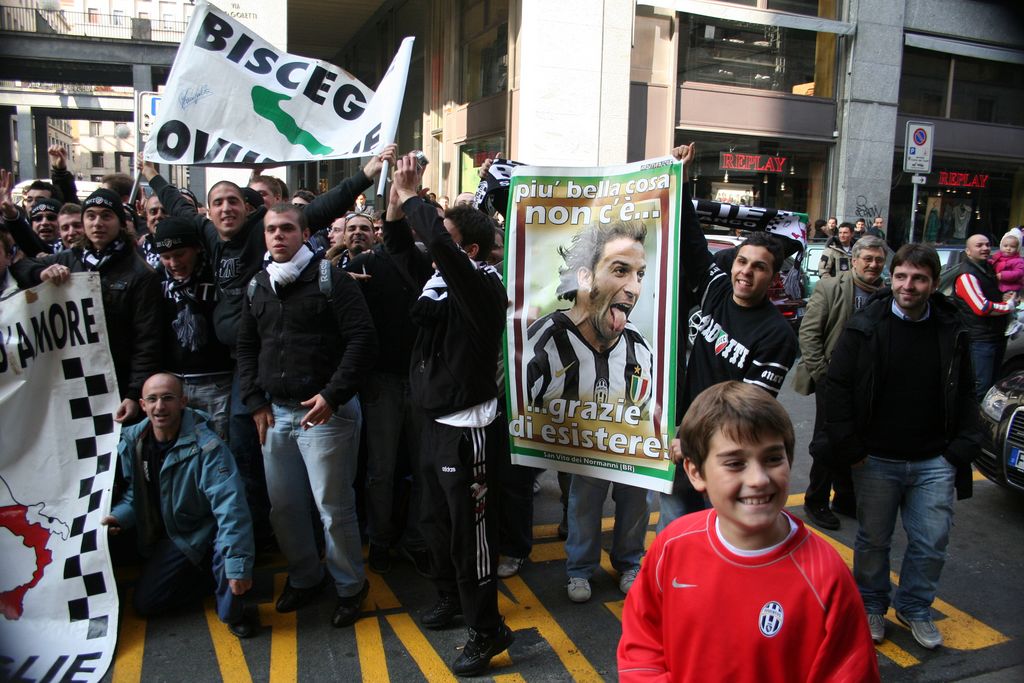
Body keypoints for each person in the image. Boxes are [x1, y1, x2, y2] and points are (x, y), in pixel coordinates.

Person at [618, 381, 879, 682]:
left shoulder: (826, 576)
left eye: (773, 459)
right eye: (735, 463)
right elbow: (642, 640)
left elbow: (850, 672)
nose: (758, 479)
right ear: (695, 473)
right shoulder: (672, 545)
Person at [391, 151, 513, 677]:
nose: (432, 242)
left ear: (469, 251)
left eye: (444, 236)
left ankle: (487, 630)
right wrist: (395, 203)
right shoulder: (438, 286)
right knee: (433, 522)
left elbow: (437, 244)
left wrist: (414, 195)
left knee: (472, 539)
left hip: (469, 432)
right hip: (434, 423)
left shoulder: (481, 287)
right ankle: (450, 597)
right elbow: (401, 249)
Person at [827, 243, 978, 649]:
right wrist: (851, 446)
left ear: (934, 283)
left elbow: (966, 390)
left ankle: (914, 607)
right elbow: (837, 386)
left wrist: (959, 449)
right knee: (873, 540)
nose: (908, 285)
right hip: (875, 459)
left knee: (931, 542)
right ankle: (871, 604)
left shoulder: (951, 327)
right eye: (901, 276)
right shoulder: (864, 326)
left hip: (935, 460)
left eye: (919, 278)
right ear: (891, 278)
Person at [236, 202, 377, 629]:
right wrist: (255, 402)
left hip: (326, 415)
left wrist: (332, 396)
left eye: (286, 228)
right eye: (271, 230)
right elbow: (247, 346)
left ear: (303, 234)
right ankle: (305, 577)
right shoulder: (258, 284)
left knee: (333, 508)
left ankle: (350, 586)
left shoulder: (330, 279)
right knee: (284, 508)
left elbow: (362, 340)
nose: (278, 236)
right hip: (275, 415)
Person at [659, 143, 798, 530]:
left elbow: (746, 409)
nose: (746, 272)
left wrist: (693, 441)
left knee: (719, 532)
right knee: (673, 528)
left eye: (759, 267)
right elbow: (691, 240)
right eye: (741, 262)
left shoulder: (778, 335)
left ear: (773, 277)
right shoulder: (716, 290)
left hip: (727, 451)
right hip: (683, 437)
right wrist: (681, 178)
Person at [523, 218, 654, 603]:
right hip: (583, 450)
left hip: (628, 447)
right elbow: (522, 404)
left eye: (640, 275)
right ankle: (579, 570)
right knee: (583, 505)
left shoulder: (639, 344)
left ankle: (629, 562)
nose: (634, 288)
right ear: (585, 276)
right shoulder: (544, 339)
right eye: (620, 270)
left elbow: (649, 401)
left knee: (637, 502)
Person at [103, 373, 257, 638]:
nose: (160, 406)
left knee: (229, 563)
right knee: (146, 604)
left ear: (183, 402)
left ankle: (234, 606)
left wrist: (237, 567)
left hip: (205, 531)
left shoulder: (208, 447)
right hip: (176, 535)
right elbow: (134, 495)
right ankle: (209, 578)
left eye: (168, 398)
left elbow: (231, 510)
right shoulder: (134, 442)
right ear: (142, 405)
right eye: (152, 399)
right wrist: (118, 517)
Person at [12, 188, 162, 424]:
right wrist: (42, 272)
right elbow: (20, 268)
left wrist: (134, 394)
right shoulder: (69, 258)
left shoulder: (141, 273)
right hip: (71, 378)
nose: (97, 223)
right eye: (91, 216)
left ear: (120, 223)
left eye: (106, 216)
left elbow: (147, 341)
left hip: (117, 382)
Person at [344, 195, 434, 576]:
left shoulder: (426, 264)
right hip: (381, 381)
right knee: (380, 469)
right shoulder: (362, 265)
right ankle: (380, 539)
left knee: (424, 466)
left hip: (421, 377)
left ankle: (416, 539)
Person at [792, 235, 886, 531]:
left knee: (856, 439)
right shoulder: (831, 286)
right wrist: (823, 375)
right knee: (828, 441)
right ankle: (816, 500)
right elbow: (809, 333)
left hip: (868, 384)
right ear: (854, 260)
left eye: (878, 260)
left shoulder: (887, 293)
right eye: (867, 259)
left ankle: (845, 498)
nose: (873, 265)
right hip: (833, 380)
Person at [153, 216, 234, 440]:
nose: (174, 263)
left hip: (216, 382)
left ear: (197, 248)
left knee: (217, 446)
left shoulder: (219, 275)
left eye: (180, 254)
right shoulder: (155, 280)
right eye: (166, 257)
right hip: (173, 383)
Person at [953, 233, 1015, 400]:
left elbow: (991, 296)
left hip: (995, 336)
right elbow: (982, 307)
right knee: (981, 388)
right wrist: (1008, 306)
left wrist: (1004, 297)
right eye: (979, 245)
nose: (985, 248)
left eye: (987, 244)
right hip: (980, 340)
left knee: (991, 387)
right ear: (968, 251)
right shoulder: (967, 275)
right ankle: (975, 417)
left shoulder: (988, 268)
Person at [989, 232, 1024, 298]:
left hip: (1011, 287)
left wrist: (1003, 275)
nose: (1008, 248)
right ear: (1001, 246)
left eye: (1012, 247)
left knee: (1009, 300)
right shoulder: (998, 257)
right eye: (1005, 246)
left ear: (1017, 249)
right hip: (999, 285)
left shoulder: (1018, 261)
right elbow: (994, 263)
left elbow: (1019, 273)